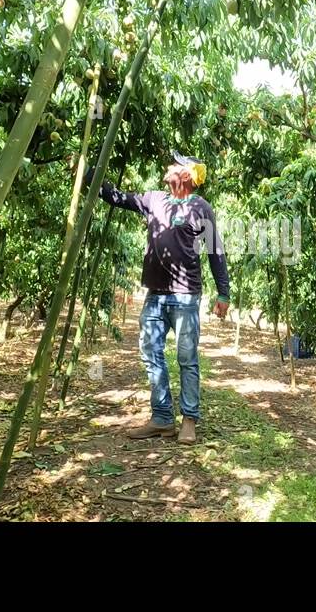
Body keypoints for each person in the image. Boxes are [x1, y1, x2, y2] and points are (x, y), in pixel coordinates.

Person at [98, 150, 230, 444]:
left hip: (185, 297)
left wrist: (224, 292)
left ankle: (189, 421)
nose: (168, 166)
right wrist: (91, 174)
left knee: (186, 358)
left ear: (187, 175)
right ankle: (162, 418)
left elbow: (215, 251)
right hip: (155, 295)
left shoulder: (201, 208)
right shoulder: (153, 199)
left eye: (175, 164)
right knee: (150, 353)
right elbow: (116, 198)